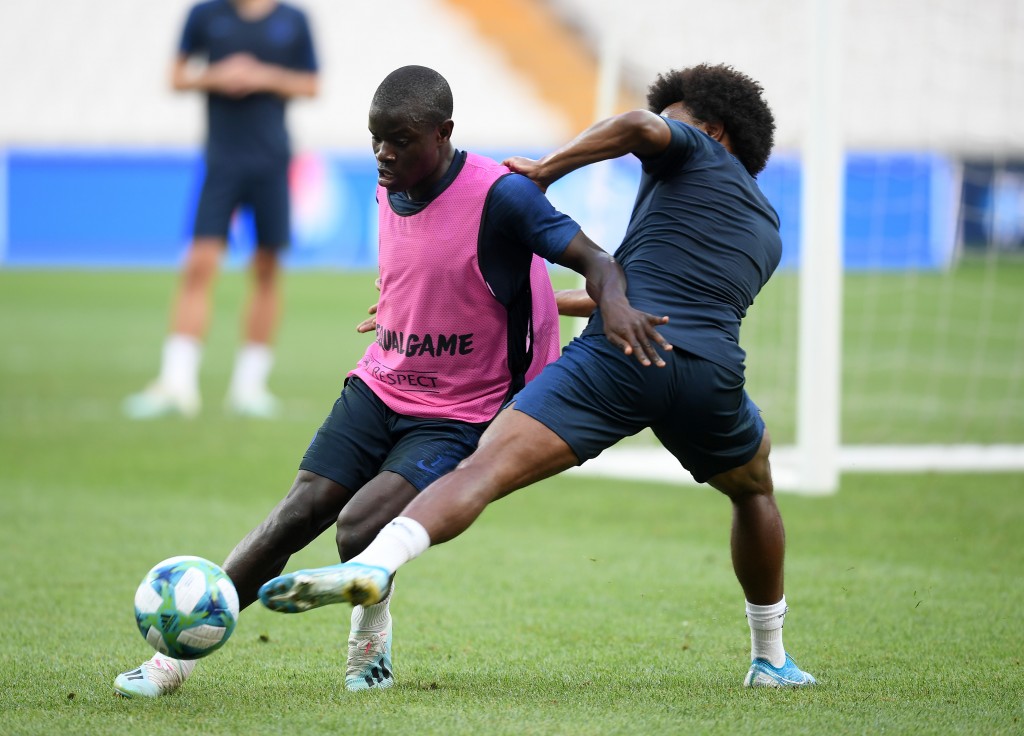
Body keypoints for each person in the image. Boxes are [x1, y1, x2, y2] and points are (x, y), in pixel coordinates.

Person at [113, 64, 668, 698]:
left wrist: (616, 303)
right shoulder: (388, 184)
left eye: (401, 140)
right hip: (381, 382)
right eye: (377, 138)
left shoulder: (501, 196)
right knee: (295, 515)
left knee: (357, 526)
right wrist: (402, 304)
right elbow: (426, 267)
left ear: (443, 133)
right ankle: (173, 662)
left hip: (463, 408)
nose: (384, 153)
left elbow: (596, 259)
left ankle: (371, 633)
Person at [258, 63, 818, 689]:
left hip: (616, 357)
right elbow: (663, 297)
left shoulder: (693, 149)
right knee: (753, 490)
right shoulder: (767, 228)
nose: (664, 129)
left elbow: (636, 126)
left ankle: (381, 561)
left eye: (676, 120)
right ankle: (770, 657)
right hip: (706, 371)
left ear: (713, 132)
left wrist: (550, 168)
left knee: (482, 468)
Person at [123, 0, 319, 420]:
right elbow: (176, 77)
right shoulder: (205, 14)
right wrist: (218, 75)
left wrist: (264, 76)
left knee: (267, 268)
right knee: (199, 263)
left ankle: (250, 387)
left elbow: (311, 85)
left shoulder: (293, 19)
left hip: (271, 158)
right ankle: (176, 382)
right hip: (221, 159)